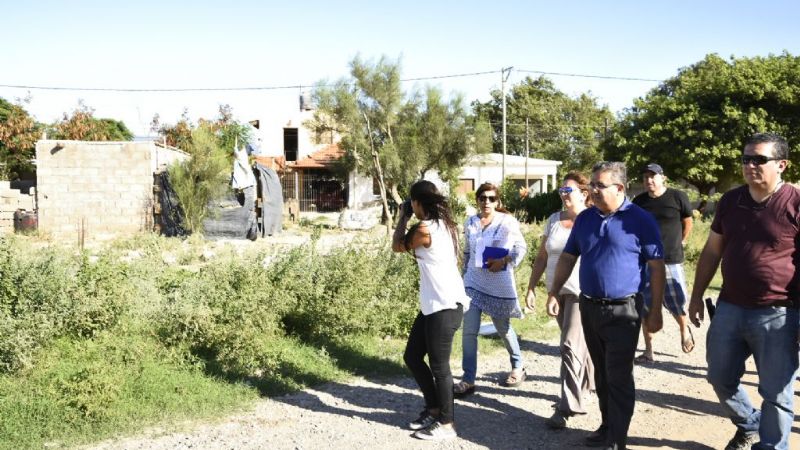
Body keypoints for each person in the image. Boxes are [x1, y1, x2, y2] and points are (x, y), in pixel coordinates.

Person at [688, 132, 800, 450]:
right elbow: (712, 251)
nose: (750, 165)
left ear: (782, 165)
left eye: (759, 159)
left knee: (777, 392)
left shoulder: (794, 202)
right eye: (746, 159)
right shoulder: (730, 201)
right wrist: (696, 296)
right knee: (719, 377)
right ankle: (748, 423)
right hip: (730, 307)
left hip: (779, 312)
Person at [548, 161, 665, 450]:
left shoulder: (640, 220)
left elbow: (657, 267)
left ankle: (617, 440)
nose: (593, 190)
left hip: (624, 310)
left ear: (620, 188)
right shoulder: (586, 218)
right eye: (593, 185)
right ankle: (607, 425)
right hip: (589, 307)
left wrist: (657, 310)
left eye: (600, 185)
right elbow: (567, 257)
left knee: (619, 375)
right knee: (601, 372)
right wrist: (553, 292)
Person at [392, 180, 469, 441]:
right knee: (413, 356)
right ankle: (434, 408)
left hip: (444, 305)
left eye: (411, 202)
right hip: (434, 305)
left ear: (416, 202)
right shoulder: (445, 225)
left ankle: (447, 424)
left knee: (440, 367)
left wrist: (402, 217)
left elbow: (397, 245)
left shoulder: (425, 229)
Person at [525, 171, 595, 429]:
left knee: (568, 344)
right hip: (557, 290)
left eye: (568, 191)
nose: (564, 195)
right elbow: (543, 257)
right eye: (561, 192)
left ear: (584, 194)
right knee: (580, 344)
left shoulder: (591, 219)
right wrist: (532, 287)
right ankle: (590, 384)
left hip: (581, 291)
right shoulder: (554, 219)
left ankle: (568, 406)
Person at [454, 182, 528, 397]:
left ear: (498, 201)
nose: (486, 202)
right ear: (477, 200)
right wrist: (461, 277)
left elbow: (520, 247)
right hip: (473, 283)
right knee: (469, 331)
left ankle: (517, 366)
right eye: (482, 198)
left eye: (491, 198)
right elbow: (467, 252)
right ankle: (468, 379)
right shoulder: (470, 222)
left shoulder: (508, 221)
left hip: (499, 283)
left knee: (502, 328)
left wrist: (505, 260)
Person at [632, 163, 694, 363]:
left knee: (676, 301)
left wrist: (681, 241)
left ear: (662, 178)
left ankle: (684, 329)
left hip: (671, 258)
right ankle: (649, 350)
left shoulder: (677, 197)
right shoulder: (639, 201)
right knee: (645, 304)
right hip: (645, 260)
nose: (649, 180)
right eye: (646, 177)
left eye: (653, 176)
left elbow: (688, 221)